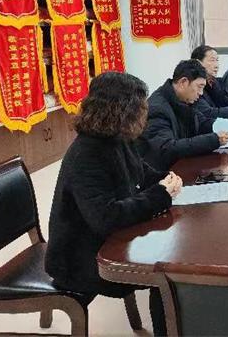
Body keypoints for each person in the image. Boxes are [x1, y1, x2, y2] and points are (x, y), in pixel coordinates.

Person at [45, 72, 182, 336]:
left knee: (170, 261)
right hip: (79, 259)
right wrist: (160, 195)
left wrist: (166, 179)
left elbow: (141, 173)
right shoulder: (86, 153)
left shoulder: (117, 138)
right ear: (121, 110)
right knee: (166, 277)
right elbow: (106, 217)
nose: (145, 113)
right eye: (140, 107)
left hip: (105, 241)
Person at [137, 60, 228, 171]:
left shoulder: (183, 99)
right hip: (163, 174)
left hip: (182, 165)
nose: (201, 93)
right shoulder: (157, 109)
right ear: (183, 82)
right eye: (199, 87)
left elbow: (202, 123)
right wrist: (213, 140)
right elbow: (167, 148)